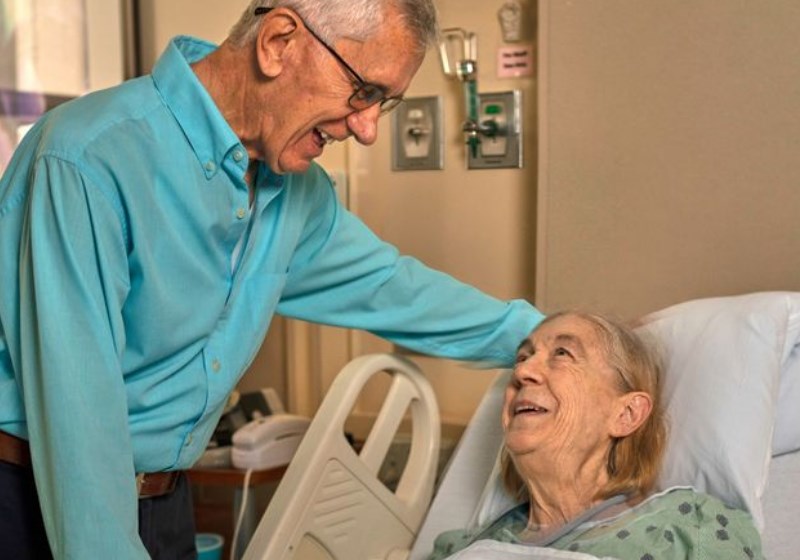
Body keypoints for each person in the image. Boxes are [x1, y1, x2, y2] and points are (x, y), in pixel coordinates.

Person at [0, 1, 544, 558]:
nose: (368, 129)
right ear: (279, 41)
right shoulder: (87, 159)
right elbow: (80, 421)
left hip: (163, 502)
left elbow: (392, 288)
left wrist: (552, 342)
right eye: (364, 93)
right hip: (34, 499)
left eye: (384, 102)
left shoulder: (295, 194)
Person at [428, 312, 764, 560]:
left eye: (563, 354)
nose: (521, 372)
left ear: (626, 414)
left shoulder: (689, 527)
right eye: (522, 357)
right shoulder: (461, 546)